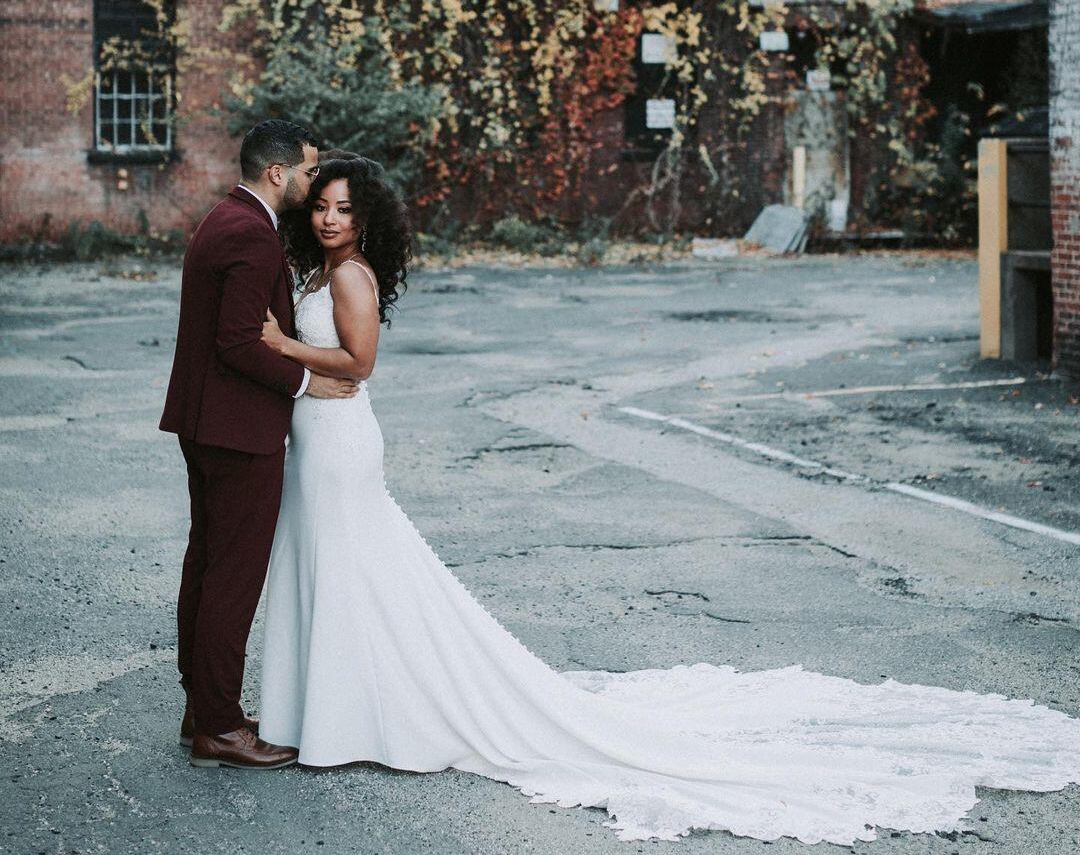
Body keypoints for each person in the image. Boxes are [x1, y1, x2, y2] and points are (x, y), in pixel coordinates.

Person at [252, 154, 1080, 842]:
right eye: (322, 207)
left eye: (345, 210)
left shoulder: (352, 277)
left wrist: (284, 345)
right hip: (315, 440)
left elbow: (359, 368)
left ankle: (349, 718)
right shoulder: (320, 266)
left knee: (354, 570)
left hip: (342, 448)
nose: (330, 219)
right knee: (341, 573)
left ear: (367, 222)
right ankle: (334, 711)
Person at [159, 120, 359, 771]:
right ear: (277, 173)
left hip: (204, 423)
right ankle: (218, 727)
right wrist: (307, 381)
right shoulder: (250, 233)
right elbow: (241, 341)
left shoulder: (223, 217)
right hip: (239, 431)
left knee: (207, 565)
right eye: (307, 171)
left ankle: (204, 708)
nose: (311, 181)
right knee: (232, 579)